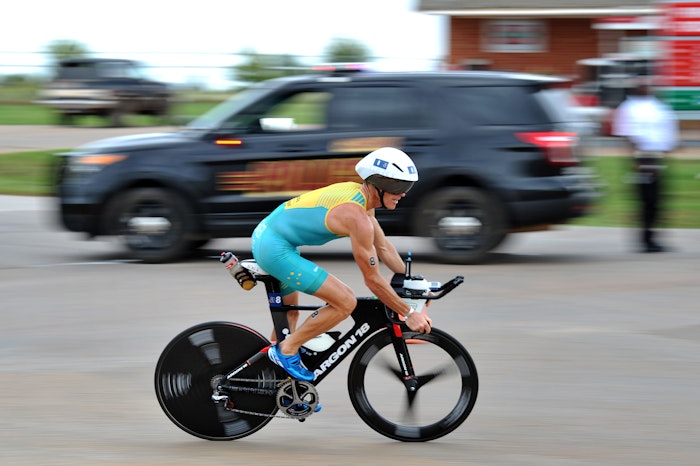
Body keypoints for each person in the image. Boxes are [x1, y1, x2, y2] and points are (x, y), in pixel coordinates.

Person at [251, 147, 433, 383]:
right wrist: (408, 313)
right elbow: (372, 280)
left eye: (407, 187)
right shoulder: (355, 216)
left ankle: (274, 383)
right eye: (399, 186)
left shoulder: (363, 201)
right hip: (274, 248)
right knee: (345, 301)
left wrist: (410, 281)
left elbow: (384, 247)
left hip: (273, 239)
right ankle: (286, 351)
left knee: (290, 316)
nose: (404, 194)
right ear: (378, 184)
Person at [611, 78, 679, 253]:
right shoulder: (628, 108)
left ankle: (652, 239)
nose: (646, 89)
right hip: (642, 158)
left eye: (648, 86)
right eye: (642, 87)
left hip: (658, 158)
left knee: (657, 200)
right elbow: (625, 135)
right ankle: (645, 240)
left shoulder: (659, 107)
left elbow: (668, 131)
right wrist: (636, 159)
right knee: (647, 200)